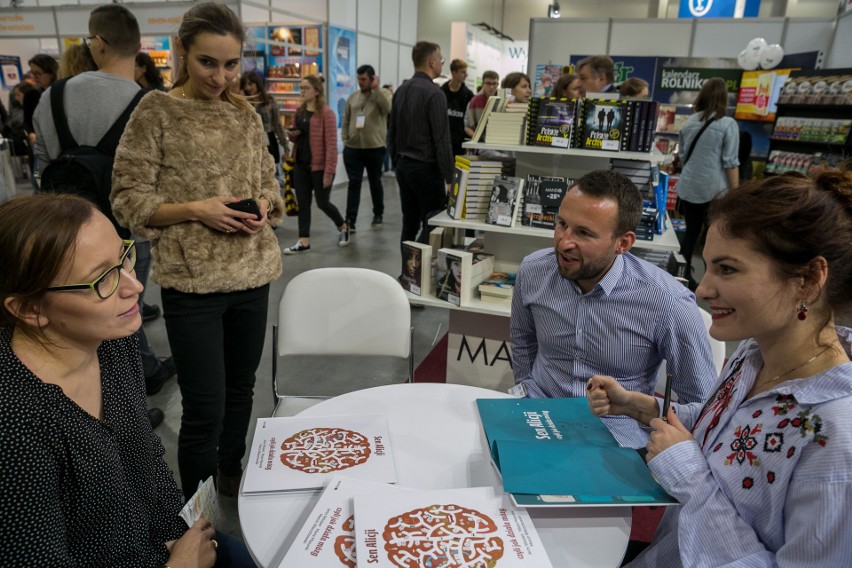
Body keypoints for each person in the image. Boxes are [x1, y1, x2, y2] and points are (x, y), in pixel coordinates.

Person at [588, 171, 852, 567]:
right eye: (708, 266)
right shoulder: (753, 354)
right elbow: (728, 430)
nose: (703, 289)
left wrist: (688, 475)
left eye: (727, 269)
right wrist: (642, 407)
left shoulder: (834, 436)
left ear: (809, 279)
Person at [0, 194, 252, 567]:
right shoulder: (15, 423)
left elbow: (145, 453)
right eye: (102, 279)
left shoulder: (111, 342)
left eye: (124, 257)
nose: (133, 285)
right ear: (28, 309)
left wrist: (179, 530)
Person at [110, 1, 284, 499]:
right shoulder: (156, 111)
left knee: (242, 390)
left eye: (232, 64)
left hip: (253, 275)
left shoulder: (247, 114)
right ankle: (197, 514)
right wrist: (197, 209)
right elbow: (127, 200)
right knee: (203, 405)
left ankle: (232, 475)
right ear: (181, 50)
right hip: (192, 284)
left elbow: (269, 186)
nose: (221, 76)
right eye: (208, 62)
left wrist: (263, 205)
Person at [33, 4, 176, 424]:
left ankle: (83, 414)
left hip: (61, 232)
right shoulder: (151, 103)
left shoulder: (53, 96)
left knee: (69, 329)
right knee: (122, 321)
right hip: (127, 233)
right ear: (137, 46)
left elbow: (42, 161)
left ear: (97, 42)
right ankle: (128, 414)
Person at [510, 169, 717, 448]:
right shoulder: (533, 270)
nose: (564, 241)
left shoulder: (667, 302)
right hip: (536, 414)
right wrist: (525, 397)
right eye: (561, 224)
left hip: (616, 435)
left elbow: (703, 406)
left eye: (583, 233)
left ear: (623, 243)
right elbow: (523, 343)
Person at [388, 41, 454, 257]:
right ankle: (413, 265)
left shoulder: (401, 90)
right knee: (434, 221)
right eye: (441, 59)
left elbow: (391, 133)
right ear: (432, 61)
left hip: (404, 167)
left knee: (409, 223)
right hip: (426, 169)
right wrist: (450, 178)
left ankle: (407, 271)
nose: (442, 63)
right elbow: (441, 140)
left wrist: (396, 161)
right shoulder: (434, 94)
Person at [676, 77, 739, 289]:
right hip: (714, 190)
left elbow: (683, 156)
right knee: (714, 237)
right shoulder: (728, 124)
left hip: (689, 186)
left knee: (691, 232)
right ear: (723, 99)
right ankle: (713, 282)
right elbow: (730, 162)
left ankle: (683, 276)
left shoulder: (690, 122)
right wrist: (736, 192)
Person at [283, 74, 348, 253]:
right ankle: (304, 241)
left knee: (322, 203)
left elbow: (331, 146)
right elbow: (294, 137)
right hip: (301, 165)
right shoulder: (300, 111)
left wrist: (329, 172)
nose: (302, 91)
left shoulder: (327, 114)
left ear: (317, 91)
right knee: (303, 204)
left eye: (306, 88)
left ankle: (343, 226)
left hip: (319, 167)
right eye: (301, 88)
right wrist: (292, 134)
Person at [341, 64, 391, 232]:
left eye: (363, 79)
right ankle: (350, 220)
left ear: (372, 79)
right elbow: (346, 119)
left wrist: (376, 90)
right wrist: (345, 139)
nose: (360, 82)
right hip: (353, 148)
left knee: (374, 182)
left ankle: (378, 213)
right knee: (354, 183)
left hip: (374, 147)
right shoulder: (353, 97)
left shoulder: (382, 94)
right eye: (359, 79)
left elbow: (388, 108)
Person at [241, 70, 288, 166]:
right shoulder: (243, 103)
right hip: (251, 142)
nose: (248, 88)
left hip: (269, 140)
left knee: (272, 172)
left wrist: (286, 147)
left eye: (250, 84)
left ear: (257, 83)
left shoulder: (269, 101)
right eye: (245, 85)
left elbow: (277, 124)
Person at [440, 58, 474, 156]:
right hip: (443, 141)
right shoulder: (441, 92)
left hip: (460, 143)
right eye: (463, 72)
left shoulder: (468, 95)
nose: (466, 75)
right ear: (454, 73)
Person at [463, 70, 499, 139]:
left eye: (494, 84)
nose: (491, 87)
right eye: (488, 83)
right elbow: (467, 126)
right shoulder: (474, 101)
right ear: (483, 84)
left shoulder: (502, 100)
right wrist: (478, 139)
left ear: (497, 84)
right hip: (480, 143)